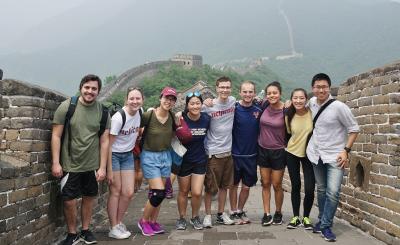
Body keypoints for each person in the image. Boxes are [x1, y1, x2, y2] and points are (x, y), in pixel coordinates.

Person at [51, 74, 110, 245]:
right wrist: (56, 162)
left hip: (92, 164)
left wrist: (103, 167)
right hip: (70, 163)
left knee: (89, 197)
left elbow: (105, 141)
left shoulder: (103, 111)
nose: (90, 91)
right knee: (69, 200)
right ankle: (72, 233)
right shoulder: (67, 107)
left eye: (94, 89)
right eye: (87, 88)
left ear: (98, 91)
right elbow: (56, 135)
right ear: (81, 88)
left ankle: (85, 230)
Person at [307, 73, 359, 242]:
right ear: (313, 88)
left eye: (324, 87)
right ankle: (322, 219)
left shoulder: (339, 107)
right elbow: (298, 108)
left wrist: (346, 150)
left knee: (333, 192)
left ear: (329, 88)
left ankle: (326, 225)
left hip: (336, 156)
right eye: (317, 87)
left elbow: (354, 129)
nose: (321, 90)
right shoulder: (312, 103)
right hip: (316, 154)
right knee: (321, 189)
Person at [137, 87, 178, 236]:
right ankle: (143, 221)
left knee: (158, 192)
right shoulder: (148, 115)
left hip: (165, 156)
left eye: (172, 99)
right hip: (149, 156)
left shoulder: (173, 117)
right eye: (166, 98)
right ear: (160, 98)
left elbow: (174, 134)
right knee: (158, 192)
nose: (169, 101)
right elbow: (135, 128)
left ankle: (153, 222)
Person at [106, 87, 143, 239]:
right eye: (132, 98)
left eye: (138, 98)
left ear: (142, 100)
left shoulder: (140, 112)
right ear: (126, 100)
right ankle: (113, 227)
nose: (135, 101)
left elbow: (138, 130)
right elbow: (108, 145)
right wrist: (107, 168)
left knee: (128, 192)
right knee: (116, 191)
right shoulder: (118, 118)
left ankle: (119, 222)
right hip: (114, 155)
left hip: (127, 155)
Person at [202, 76, 236, 228]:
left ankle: (221, 213)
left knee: (224, 186)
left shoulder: (233, 101)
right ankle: (208, 215)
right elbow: (192, 110)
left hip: (228, 152)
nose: (225, 90)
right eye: (222, 87)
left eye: (227, 87)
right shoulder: (209, 106)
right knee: (210, 187)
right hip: (213, 152)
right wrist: (203, 102)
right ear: (216, 89)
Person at [175, 91, 211, 230]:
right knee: (183, 191)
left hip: (200, 159)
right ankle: (182, 218)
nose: (195, 106)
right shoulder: (181, 118)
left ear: (201, 104)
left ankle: (195, 217)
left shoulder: (206, 119)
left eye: (198, 103)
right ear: (187, 105)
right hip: (184, 160)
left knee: (197, 192)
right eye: (192, 103)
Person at [228, 81, 262, 225]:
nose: (247, 94)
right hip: (235, 155)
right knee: (234, 185)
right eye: (245, 91)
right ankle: (233, 211)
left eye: (250, 92)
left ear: (254, 93)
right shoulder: (233, 108)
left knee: (247, 187)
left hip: (251, 156)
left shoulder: (259, 110)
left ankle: (241, 210)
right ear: (240, 92)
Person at [285, 88, 315, 230]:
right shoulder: (288, 115)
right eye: (295, 98)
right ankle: (296, 217)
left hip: (309, 155)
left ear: (306, 99)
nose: (298, 101)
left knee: (309, 188)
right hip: (292, 153)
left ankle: (306, 217)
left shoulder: (313, 113)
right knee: (295, 185)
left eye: (301, 98)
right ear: (291, 100)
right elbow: (288, 134)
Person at [257, 81, 287, 226]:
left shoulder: (287, 109)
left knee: (276, 184)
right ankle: (266, 213)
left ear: (280, 93)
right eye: (269, 93)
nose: (272, 95)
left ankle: (278, 212)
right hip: (262, 149)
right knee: (265, 183)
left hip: (278, 151)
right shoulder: (264, 105)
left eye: (275, 93)